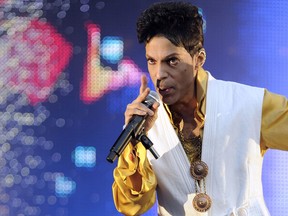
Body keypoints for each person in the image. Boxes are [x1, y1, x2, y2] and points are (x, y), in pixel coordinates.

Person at [111, 1, 288, 215]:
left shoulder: (249, 103)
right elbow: (132, 206)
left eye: (172, 61)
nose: (159, 74)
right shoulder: (142, 122)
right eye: (151, 61)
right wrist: (134, 143)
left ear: (199, 59)